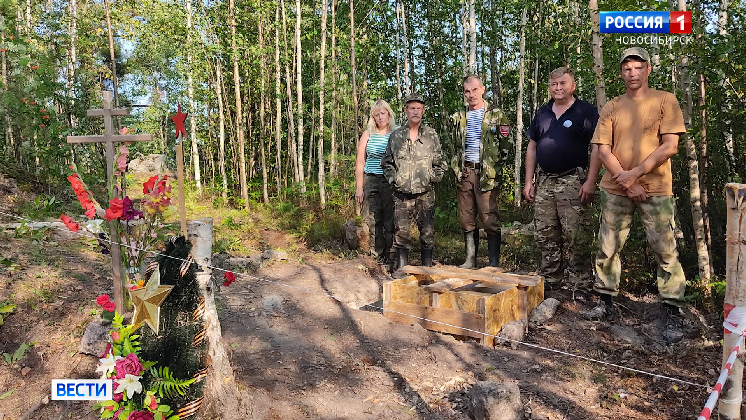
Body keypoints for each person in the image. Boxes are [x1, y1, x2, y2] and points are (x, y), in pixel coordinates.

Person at [583, 47, 687, 344]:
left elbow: (669, 146)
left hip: (655, 189)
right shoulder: (612, 106)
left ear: (648, 70)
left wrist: (637, 173)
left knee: (664, 248)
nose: (632, 73)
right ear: (621, 73)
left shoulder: (665, 101)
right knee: (608, 245)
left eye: (638, 67)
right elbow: (603, 149)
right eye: (627, 68)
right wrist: (628, 182)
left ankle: (672, 309)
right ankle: (604, 302)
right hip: (616, 189)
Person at [524, 67, 601, 289]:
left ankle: (580, 283)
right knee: (546, 234)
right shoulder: (543, 112)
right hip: (545, 182)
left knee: (576, 234)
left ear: (573, 86)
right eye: (554, 84)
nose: (558, 88)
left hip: (573, 181)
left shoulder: (585, 112)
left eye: (562, 83)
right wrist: (528, 182)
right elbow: (532, 148)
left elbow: (597, 148)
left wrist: (590, 182)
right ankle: (551, 281)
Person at [450, 75, 510, 269]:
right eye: (467, 91)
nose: (471, 95)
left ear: (482, 89)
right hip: (465, 172)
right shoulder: (459, 116)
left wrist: (496, 171)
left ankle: (493, 262)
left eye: (474, 90)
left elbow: (506, 145)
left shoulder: (496, 114)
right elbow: (454, 145)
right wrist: (457, 168)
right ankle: (470, 259)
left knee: (489, 217)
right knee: (466, 217)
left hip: (487, 174)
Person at [381, 93, 447, 268]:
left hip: (425, 195)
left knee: (427, 233)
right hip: (401, 195)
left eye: (418, 108)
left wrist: (431, 179)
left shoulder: (430, 135)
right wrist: (394, 180)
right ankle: (402, 270)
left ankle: (426, 269)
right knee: (401, 233)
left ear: (423, 111)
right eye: (412, 108)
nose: (415, 111)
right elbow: (386, 162)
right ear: (406, 111)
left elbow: (440, 163)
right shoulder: (396, 136)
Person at [355, 99, 397, 268]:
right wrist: (359, 187)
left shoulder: (396, 133)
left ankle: (390, 255)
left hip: (389, 180)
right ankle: (376, 254)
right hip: (371, 179)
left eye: (383, 113)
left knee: (390, 219)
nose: (380, 117)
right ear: (373, 117)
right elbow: (360, 162)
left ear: (388, 114)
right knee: (373, 219)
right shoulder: (368, 134)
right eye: (376, 114)